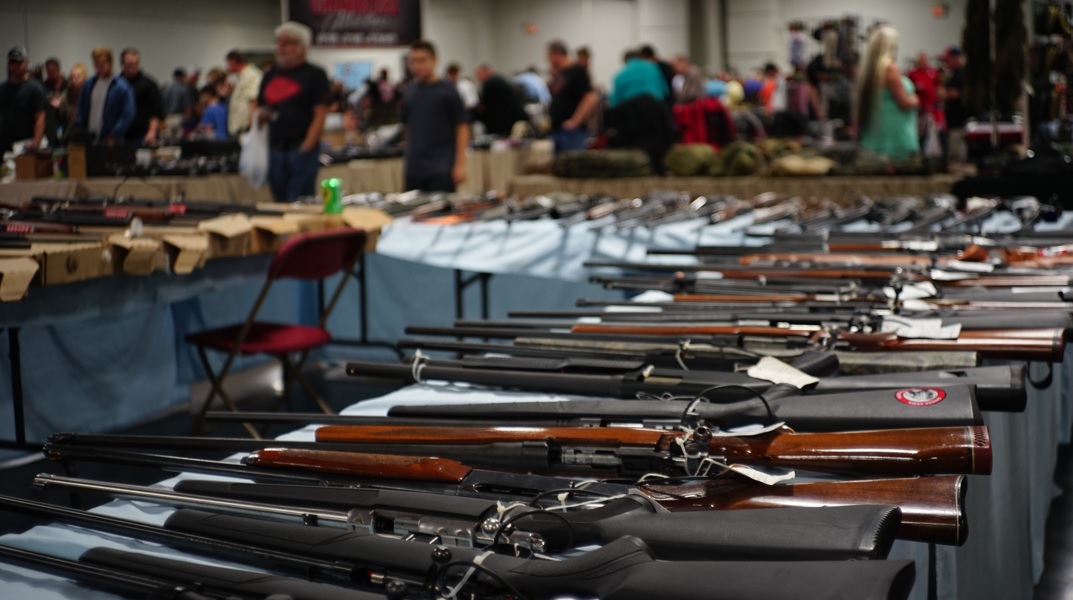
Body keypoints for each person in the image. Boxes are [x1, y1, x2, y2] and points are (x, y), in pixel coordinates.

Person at [255, 21, 331, 201]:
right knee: (279, 201)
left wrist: (307, 145)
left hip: (300, 150)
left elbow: (320, 113)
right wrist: (260, 116)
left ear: (301, 48)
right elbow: (260, 107)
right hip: (275, 150)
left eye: (286, 43)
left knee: (300, 202)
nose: (280, 47)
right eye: (278, 42)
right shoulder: (270, 75)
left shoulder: (315, 75)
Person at [399, 40, 469, 192]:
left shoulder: (448, 91)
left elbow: (462, 127)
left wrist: (460, 164)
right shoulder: (409, 91)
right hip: (414, 169)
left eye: (422, 60)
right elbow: (407, 128)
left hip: (441, 167)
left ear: (434, 60)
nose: (418, 66)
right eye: (413, 61)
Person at [854, 26, 919, 159]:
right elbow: (904, 102)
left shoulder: (868, 70)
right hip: (895, 134)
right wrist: (915, 99)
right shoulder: (889, 68)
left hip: (876, 131)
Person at [75, 46, 135, 144]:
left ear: (110, 63)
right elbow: (81, 107)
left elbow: (128, 114)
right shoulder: (89, 84)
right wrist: (80, 126)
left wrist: (114, 133)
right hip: (89, 137)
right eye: (96, 63)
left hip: (111, 139)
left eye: (103, 63)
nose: (100, 67)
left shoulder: (122, 86)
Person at [547, 40, 596, 153]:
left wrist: (575, 121)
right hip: (558, 129)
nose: (547, 60)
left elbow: (589, 98)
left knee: (573, 165)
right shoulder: (561, 73)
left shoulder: (577, 71)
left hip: (571, 132)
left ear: (557, 55)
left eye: (549, 56)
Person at [0, 46, 46, 154]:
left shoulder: (35, 88)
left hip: (25, 145)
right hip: (4, 146)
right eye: (12, 63)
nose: (15, 66)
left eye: (18, 63)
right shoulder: (2, 89)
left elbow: (40, 117)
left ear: (26, 63)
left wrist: (36, 143)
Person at [119, 48, 163, 145]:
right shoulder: (116, 84)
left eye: (135, 63)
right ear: (122, 64)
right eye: (129, 63)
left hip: (142, 135)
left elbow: (156, 112)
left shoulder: (149, 84)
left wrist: (152, 132)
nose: (132, 66)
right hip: (121, 135)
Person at [474, 63, 527, 137]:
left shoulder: (490, 83)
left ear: (486, 72)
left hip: (504, 121)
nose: (478, 77)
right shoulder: (499, 79)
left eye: (479, 74)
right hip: (513, 118)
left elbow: (485, 106)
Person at [907, 51, 945, 152]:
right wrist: (916, 87)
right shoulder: (912, 73)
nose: (924, 62)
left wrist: (940, 96)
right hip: (919, 110)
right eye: (921, 59)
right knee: (919, 133)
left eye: (925, 59)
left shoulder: (933, 73)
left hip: (932, 109)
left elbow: (939, 87)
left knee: (933, 133)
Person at [225, 50, 262, 136]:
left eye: (228, 63)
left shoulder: (252, 75)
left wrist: (250, 127)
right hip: (238, 128)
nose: (227, 67)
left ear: (233, 62)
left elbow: (254, 101)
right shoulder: (240, 76)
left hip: (246, 129)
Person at [941, 46, 967, 162]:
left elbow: (956, 93)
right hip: (954, 123)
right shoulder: (953, 74)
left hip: (959, 123)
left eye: (948, 60)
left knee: (956, 157)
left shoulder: (961, 74)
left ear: (955, 58)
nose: (946, 64)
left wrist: (943, 94)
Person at [42, 57, 68, 144]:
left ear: (58, 69)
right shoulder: (44, 86)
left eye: (52, 71)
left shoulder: (67, 84)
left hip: (66, 121)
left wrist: (61, 103)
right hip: (51, 125)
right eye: (48, 71)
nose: (50, 74)